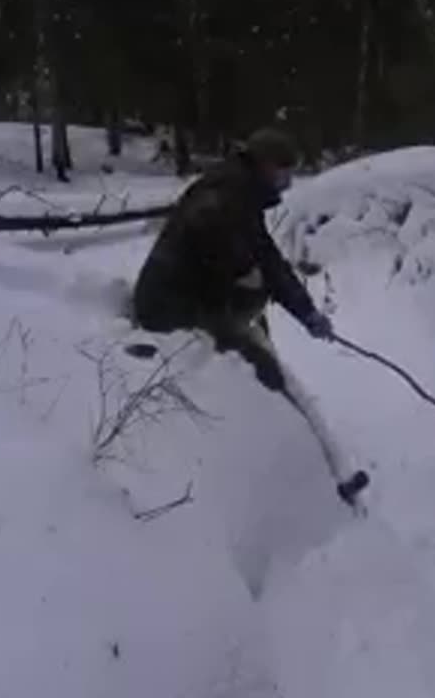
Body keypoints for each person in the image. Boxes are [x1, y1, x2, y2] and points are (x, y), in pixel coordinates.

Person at [131, 126, 369, 509]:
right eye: (283, 172)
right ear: (263, 166)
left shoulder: (239, 194)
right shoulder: (223, 199)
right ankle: (322, 464)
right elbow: (221, 263)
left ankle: (326, 453)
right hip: (169, 306)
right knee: (260, 357)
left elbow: (268, 262)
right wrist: (245, 293)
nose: (287, 183)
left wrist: (307, 312)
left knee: (256, 316)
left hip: (190, 297)